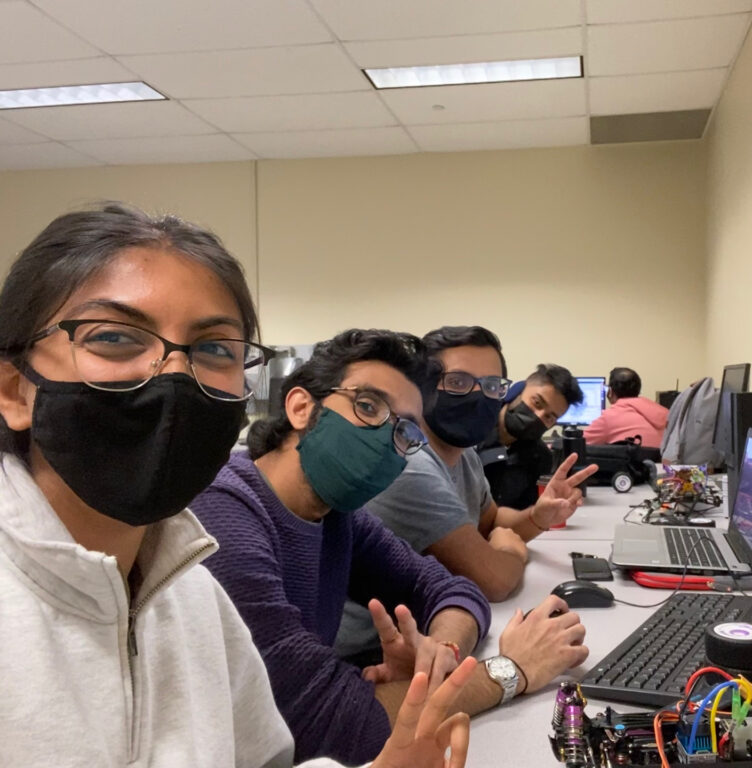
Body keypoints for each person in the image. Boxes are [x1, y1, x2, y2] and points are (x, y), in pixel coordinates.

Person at [0, 203, 473, 768]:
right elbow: (329, 718)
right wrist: (506, 672)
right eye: (114, 338)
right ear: (13, 391)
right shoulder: (225, 528)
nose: (174, 376)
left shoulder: (193, 594)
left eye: (215, 349)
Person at [191, 328, 589, 765]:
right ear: (302, 407)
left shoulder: (337, 515)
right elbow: (326, 724)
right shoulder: (221, 519)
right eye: (368, 407)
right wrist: (512, 671)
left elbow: (453, 590)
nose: (385, 436)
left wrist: (439, 654)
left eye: (404, 431)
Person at [358, 326, 597, 604]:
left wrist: (539, 517)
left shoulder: (464, 453)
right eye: (458, 382)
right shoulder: (408, 464)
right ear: (422, 385)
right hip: (375, 640)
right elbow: (494, 581)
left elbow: (492, 521)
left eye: (491, 386)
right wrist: (512, 553)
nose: (478, 396)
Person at [477, 364, 583, 509]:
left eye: (549, 417)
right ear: (515, 392)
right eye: (537, 402)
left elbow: (521, 516)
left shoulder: (539, 457)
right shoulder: (470, 433)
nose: (538, 416)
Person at [583, 366, 669, 447]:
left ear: (610, 392)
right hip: (660, 462)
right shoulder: (665, 413)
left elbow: (578, 443)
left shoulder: (610, 417)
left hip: (629, 462)